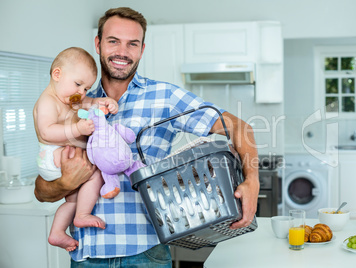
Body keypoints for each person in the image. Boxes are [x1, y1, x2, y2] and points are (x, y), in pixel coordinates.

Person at [34, 7, 259, 267]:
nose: (122, 51)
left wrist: (252, 178)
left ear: (142, 49)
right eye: (113, 41)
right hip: (86, 255)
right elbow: (42, 190)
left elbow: (240, 128)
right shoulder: (72, 100)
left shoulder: (164, 97)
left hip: (146, 254)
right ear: (98, 44)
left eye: (133, 44)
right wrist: (65, 182)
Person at [33, 47, 119, 252]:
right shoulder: (47, 101)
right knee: (95, 172)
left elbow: (86, 103)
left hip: (58, 158)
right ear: (57, 74)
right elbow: (46, 132)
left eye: (86, 88)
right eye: (78, 84)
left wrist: (102, 102)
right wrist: (77, 128)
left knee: (73, 199)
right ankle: (82, 215)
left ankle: (58, 232)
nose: (81, 92)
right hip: (52, 155)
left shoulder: (69, 97)